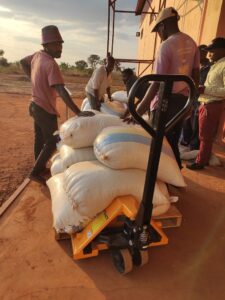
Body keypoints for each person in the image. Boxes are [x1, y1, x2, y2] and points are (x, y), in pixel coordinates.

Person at [123, 7, 200, 169]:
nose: (159, 35)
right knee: (172, 140)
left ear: (162, 26)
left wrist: (137, 111)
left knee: (157, 143)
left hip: (165, 103)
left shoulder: (166, 46)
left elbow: (156, 83)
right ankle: (175, 171)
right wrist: (191, 102)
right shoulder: (192, 43)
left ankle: (159, 179)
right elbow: (196, 75)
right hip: (183, 102)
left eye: (157, 30)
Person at [20, 25, 94, 185]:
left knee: (39, 139)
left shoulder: (37, 56)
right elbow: (60, 89)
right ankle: (34, 172)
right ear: (46, 45)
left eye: (61, 44)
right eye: (56, 44)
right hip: (44, 109)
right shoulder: (51, 64)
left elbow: (22, 62)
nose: (60, 48)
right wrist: (78, 112)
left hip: (34, 105)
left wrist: (33, 79)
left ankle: (39, 168)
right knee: (53, 140)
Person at [187, 37, 225, 170]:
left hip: (212, 105)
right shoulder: (216, 65)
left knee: (205, 136)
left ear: (221, 50)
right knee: (204, 135)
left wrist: (204, 89)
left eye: (212, 51)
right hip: (207, 103)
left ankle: (201, 162)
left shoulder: (223, 65)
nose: (209, 54)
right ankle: (203, 158)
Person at [181, 45, 211, 150]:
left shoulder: (210, 67)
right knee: (186, 121)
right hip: (190, 98)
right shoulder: (195, 67)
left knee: (196, 125)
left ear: (204, 53)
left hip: (200, 100)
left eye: (199, 53)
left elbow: (205, 84)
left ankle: (194, 146)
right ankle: (185, 142)